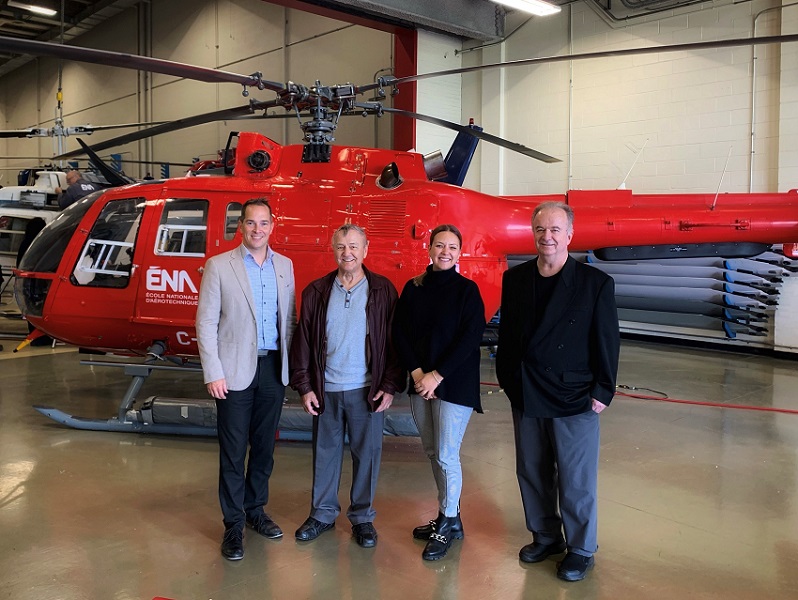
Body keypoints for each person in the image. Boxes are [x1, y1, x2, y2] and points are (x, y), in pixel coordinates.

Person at [496, 201, 619, 582]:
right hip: (526, 391)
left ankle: (581, 548)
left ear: (569, 235)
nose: (546, 237)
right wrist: (507, 379)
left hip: (574, 395)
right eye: (540, 229)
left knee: (575, 477)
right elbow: (508, 336)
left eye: (554, 230)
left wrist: (603, 389)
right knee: (532, 470)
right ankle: (546, 536)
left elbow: (606, 340)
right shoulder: (515, 280)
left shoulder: (595, 283)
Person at [289, 223, 404, 549]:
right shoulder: (316, 292)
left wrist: (390, 385)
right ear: (333, 250)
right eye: (341, 247)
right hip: (325, 389)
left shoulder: (383, 291)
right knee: (324, 455)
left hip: (367, 390)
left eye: (354, 246)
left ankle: (362, 518)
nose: (347, 252)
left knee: (367, 456)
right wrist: (305, 387)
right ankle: (322, 515)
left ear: (365, 250)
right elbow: (302, 342)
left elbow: (395, 343)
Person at [195, 198, 296, 561]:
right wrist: (213, 371)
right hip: (233, 371)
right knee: (234, 452)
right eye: (251, 223)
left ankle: (255, 511)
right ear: (241, 226)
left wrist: (292, 369)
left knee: (265, 449)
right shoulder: (219, 265)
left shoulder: (284, 266)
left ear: (273, 226)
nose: (257, 229)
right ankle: (233, 524)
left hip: (273, 370)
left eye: (263, 223)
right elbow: (206, 322)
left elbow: (289, 320)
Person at [392, 224, 486, 561]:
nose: (445, 252)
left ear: (460, 253)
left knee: (447, 454)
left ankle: (446, 522)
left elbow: (470, 338)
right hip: (420, 383)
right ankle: (451, 518)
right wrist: (418, 373)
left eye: (452, 247)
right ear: (429, 249)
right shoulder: (414, 287)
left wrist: (436, 375)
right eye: (440, 245)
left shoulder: (467, 291)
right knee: (433, 452)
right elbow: (399, 332)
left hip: (454, 385)